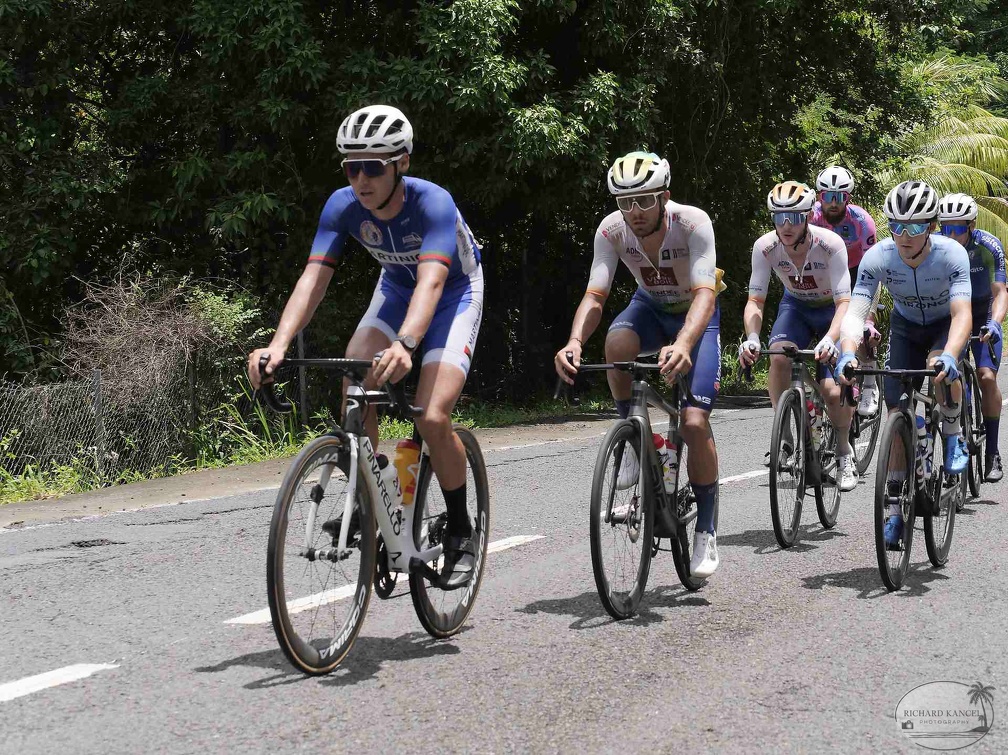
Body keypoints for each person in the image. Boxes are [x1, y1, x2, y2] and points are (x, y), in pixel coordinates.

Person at [247, 104, 484, 587]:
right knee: (357, 373)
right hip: (397, 288)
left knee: (431, 414)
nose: (360, 178)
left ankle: (461, 529)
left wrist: (407, 343)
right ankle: (366, 498)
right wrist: (277, 344)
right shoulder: (342, 206)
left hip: (454, 292)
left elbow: (434, 281)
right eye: (351, 166)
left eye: (373, 166)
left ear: (402, 164)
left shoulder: (432, 202)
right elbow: (313, 279)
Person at [554, 151, 722, 577]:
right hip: (649, 307)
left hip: (695, 312)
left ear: (665, 197)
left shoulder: (693, 222)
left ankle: (706, 529)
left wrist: (685, 342)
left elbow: (705, 293)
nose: (634, 211)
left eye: (644, 200)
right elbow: (596, 296)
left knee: (695, 423)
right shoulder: (611, 231)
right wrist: (574, 342)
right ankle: (631, 432)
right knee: (617, 341)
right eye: (624, 202)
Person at [837, 180, 972, 549]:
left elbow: (963, 314)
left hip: (944, 326)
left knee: (938, 365)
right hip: (905, 327)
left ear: (930, 226)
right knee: (897, 408)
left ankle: (954, 431)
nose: (904, 236)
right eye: (896, 226)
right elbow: (857, 310)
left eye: (913, 227)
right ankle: (895, 509)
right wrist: (847, 351)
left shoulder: (951, 255)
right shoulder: (879, 256)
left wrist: (951, 353)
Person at [739, 181, 857, 491]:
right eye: (779, 218)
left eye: (794, 218)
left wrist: (832, 338)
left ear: (807, 217)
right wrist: (752, 336)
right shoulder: (765, 247)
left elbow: (845, 302)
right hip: (797, 308)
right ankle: (786, 439)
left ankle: (844, 450)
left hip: (832, 310)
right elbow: (755, 301)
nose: (786, 225)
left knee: (833, 392)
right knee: (778, 355)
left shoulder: (830, 244)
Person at [938, 192, 1007, 481]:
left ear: (972, 225)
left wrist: (994, 323)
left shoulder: (988, 246)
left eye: (958, 228)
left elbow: (1000, 292)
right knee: (945, 372)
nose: (952, 235)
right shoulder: (934, 248)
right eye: (946, 228)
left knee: (986, 377)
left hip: (982, 312)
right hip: (951, 311)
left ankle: (992, 451)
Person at [809, 165, 882, 416]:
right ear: (819, 197)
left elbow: (872, 268)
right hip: (825, 275)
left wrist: (868, 314)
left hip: (858, 274)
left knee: (860, 326)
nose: (833, 203)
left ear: (848, 198)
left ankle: (870, 383)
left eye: (839, 197)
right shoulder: (810, 217)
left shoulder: (862, 222)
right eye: (827, 196)